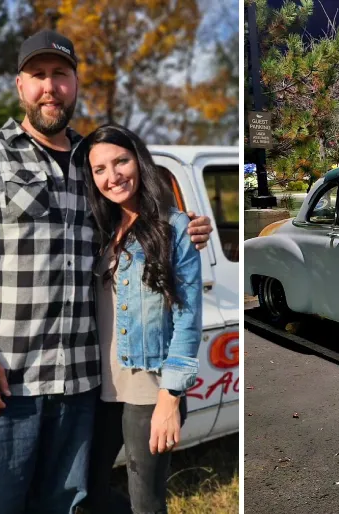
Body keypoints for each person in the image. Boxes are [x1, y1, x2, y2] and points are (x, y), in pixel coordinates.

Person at [0, 30, 212, 514]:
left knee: (65, 504)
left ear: (75, 83)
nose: (50, 87)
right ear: (20, 86)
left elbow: (133, 219)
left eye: (60, 75)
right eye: (37, 76)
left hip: (80, 385)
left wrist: (183, 227)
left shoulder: (91, 162)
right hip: (5, 380)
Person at [79, 124, 200, 514]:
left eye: (120, 161)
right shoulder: (101, 230)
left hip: (149, 391)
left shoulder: (174, 227)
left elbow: (188, 318)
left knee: (146, 503)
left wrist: (169, 398)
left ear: (139, 161)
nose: (112, 176)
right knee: (87, 491)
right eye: (99, 169)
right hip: (102, 390)